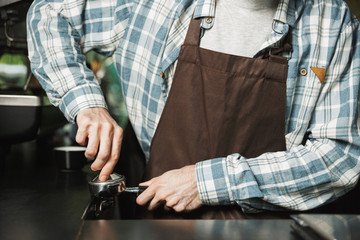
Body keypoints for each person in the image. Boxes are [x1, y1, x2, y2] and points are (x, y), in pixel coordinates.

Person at [27, 0, 360, 219]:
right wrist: (86, 103)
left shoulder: (332, 22)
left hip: (270, 227)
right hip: (159, 223)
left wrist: (206, 182)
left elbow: (342, 157)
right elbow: (50, 14)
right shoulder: (153, 4)